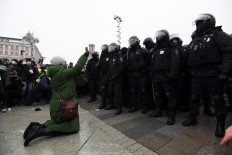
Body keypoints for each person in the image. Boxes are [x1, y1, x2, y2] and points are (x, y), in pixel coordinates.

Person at [23, 50, 89, 146]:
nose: (65, 63)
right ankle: (39, 132)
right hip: (62, 102)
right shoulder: (61, 73)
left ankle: (36, 126)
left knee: (59, 122)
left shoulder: (55, 72)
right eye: (64, 62)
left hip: (58, 101)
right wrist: (84, 56)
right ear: (60, 63)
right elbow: (77, 69)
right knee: (69, 126)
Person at [182, 13, 232, 137]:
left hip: (212, 73)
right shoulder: (194, 38)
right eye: (198, 22)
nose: (199, 24)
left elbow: (228, 53)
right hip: (196, 74)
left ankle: (220, 124)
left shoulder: (218, 35)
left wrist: (225, 72)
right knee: (194, 97)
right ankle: (192, 117)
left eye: (202, 21)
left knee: (217, 98)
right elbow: (188, 55)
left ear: (210, 22)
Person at [149, 30, 181, 125]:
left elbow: (175, 62)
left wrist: (171, 75)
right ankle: (158, 110)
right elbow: (152, 62)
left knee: (169, 95)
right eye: (157, 37)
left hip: (166, 76)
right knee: (158, 94)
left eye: (161, 37)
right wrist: (152, 73)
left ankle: (172, 115)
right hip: (157, 77)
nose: (159, 38)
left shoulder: (172, 47)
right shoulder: (156, 49)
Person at [126, 36, 150, 114]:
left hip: (141, 74)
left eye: (133, 41)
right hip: (132, 74)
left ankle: (145, 106)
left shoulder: (143, 50)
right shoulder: (128, 52)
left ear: (137, 42)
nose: (131, 43)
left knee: (143, 90)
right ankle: (134, 105)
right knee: (133, 90)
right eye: (130, 41)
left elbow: (149, 60)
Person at [105, 43, 124, 115]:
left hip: (117, 78)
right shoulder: (110, 56)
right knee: (110, 92)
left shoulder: (119, 55)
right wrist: (108, 75)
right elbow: (108, 68)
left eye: (112, 47)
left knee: (118, 93)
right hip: (111, 78)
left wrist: (115, 75)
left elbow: (120, 67)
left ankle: (119, 107)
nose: (111, 49)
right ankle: (112, 104)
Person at [98, 44, 110, 109]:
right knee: (103, 89)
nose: (103, 49)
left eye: (104, 48)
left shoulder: (109, 56)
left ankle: (106, 102)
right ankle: (104, 102)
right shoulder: (102, 56)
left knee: (106, 89)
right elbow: (100, 65)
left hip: (108, 75)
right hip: (102, 75)